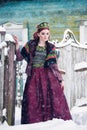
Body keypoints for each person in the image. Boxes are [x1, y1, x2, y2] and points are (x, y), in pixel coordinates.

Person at [14, 22, 72, 124]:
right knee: (32, 99)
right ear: (38, 34)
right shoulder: (30, 45)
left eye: (47, 33)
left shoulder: (50, 47)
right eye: (43, 33)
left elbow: (54, 65)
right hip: (33, 76)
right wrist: (17, 46)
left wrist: (60, 80)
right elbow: (19, 57)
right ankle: (34, 123)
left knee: (52, 99)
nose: (46, 36)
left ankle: (52, 122)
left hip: (48, 76)